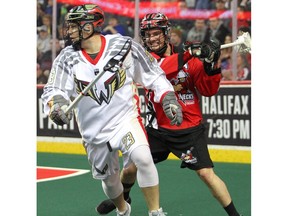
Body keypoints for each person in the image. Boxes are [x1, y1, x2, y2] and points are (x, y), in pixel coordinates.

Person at [41, 4, 183, 216]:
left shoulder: (124, 46)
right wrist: (56, 105)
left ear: (90, 26)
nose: (69, 30)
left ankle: (156, 212)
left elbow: (153, 74)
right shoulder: (66, 57)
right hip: (94, 132)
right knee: (110, 182)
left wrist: (168, 97)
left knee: (143, 158)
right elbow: (54, 89)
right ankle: (123, 209)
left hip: (125, 119)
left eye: (74, 26)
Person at [96, 12, 242, 216]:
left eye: (156, 33)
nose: (151, 39)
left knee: (206, 174)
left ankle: (235, 214)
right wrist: (189, 53)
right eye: (147, 35)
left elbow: (209, 90)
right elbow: (161, 70)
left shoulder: (190, 58)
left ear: (166, 33)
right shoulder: (146, 59)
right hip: (157, 129)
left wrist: (212, 63)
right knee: (130, 168)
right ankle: (124, 196)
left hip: (189, 129)